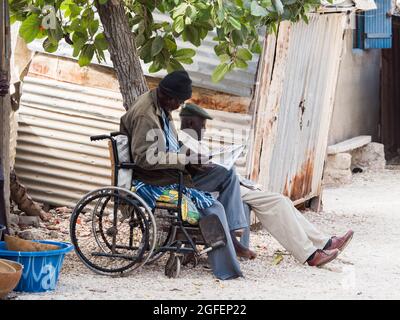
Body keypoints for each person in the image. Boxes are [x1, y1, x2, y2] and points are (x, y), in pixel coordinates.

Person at [179, 103, 354, 267]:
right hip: (210, 191)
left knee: (280, 201)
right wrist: (211, 164)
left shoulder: (192, 142)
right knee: (277, 202)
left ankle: (323, 243)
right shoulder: (182, 141)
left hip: (222, 186)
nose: (204, 129)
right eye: (202, 125)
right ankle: (311, 254)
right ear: (189, 121)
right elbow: (194, 168)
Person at [119, 70, 242, 280]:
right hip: (155, 180)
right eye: (179, 102)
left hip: (175, 171)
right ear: (168, 96)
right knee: (214, 207)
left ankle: (233, 237)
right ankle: (227, 269)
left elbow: (173, 143)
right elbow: (144, 158)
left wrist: (195, 156)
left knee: (228, 174)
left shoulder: (162, 106)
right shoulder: (145, 115)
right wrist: (185, 160)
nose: (180, 106)